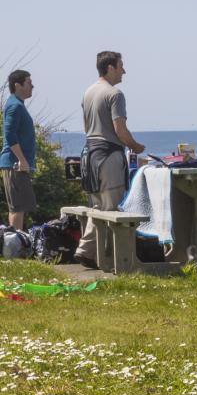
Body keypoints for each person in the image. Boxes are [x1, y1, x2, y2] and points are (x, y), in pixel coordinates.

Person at [74, 51, 145, 267]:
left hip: (89, 156)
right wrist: (135, 146)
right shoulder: (115, 94)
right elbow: (119, 128)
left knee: (98, 207)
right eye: (121, 65)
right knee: (112, 208)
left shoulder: (88, 92)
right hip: (109, 155)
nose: (124, 70)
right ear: (111, 67)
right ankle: (118, 260)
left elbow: (86, 127)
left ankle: (86, 250)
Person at [0, 70, 37, 230]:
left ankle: (15, 243)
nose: (32, 86)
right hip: (15, 163)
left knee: (18, 206)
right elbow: (9, 134)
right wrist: (22, 160)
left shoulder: (17, 104)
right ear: (17, 85)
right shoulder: (14, 106)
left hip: (16, 163)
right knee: (17, 207)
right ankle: (14, 247)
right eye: (28, 82)